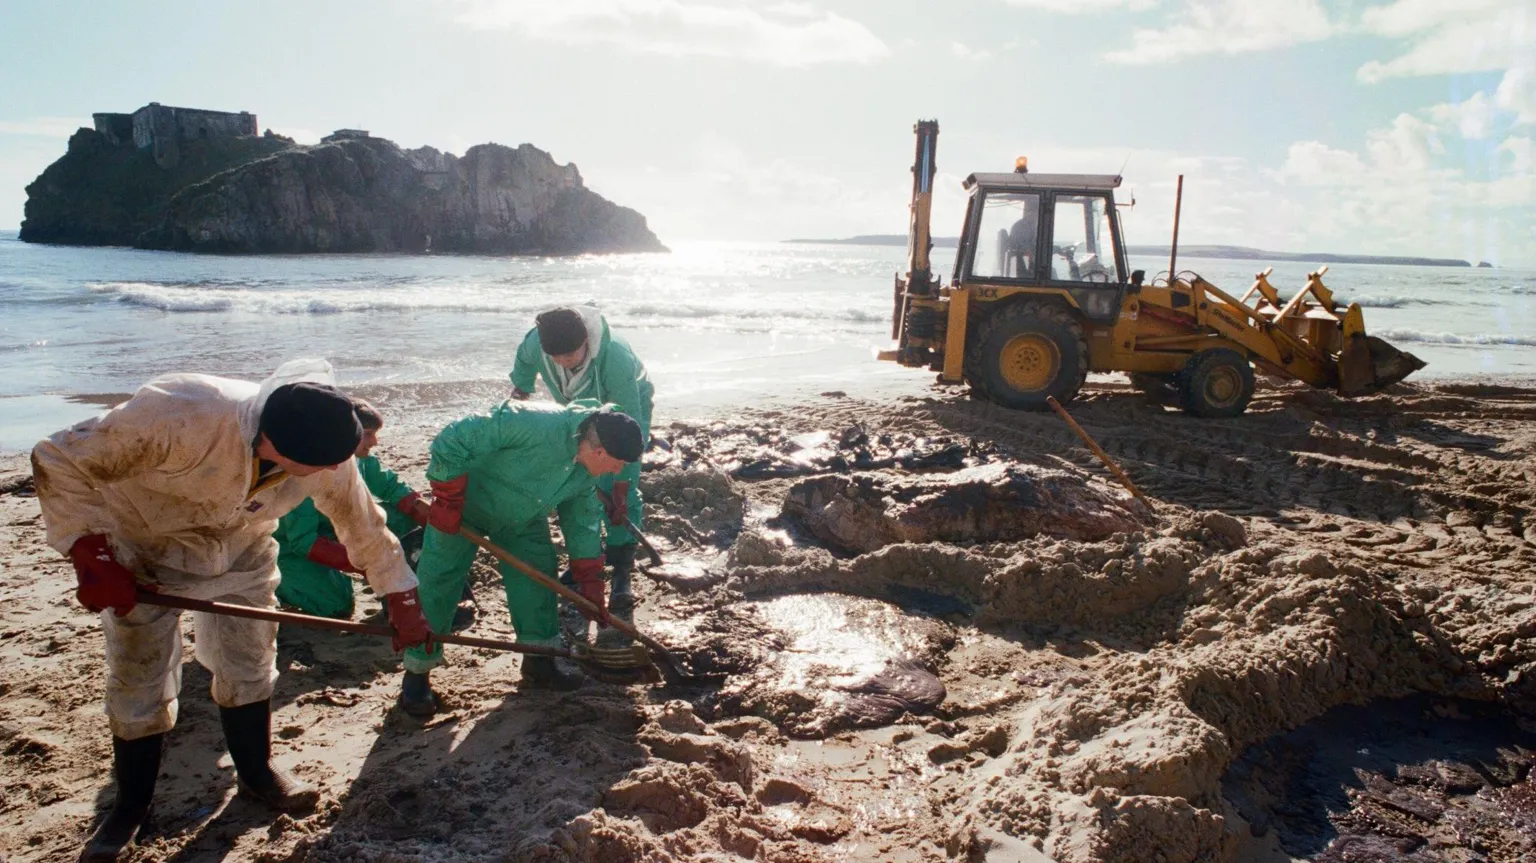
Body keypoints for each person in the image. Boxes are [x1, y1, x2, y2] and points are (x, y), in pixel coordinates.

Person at [30, 359, 433, 862]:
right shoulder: (178, 412)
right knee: (140, 677)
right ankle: (130, 805)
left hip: (241, 550)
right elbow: (59, 457)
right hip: (145, 548)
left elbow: (363, 524)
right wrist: (92, 552)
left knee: (249, 662)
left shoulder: (326, 442)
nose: (333, 473)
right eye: (321, 466)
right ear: (270, 445)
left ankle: (257, 774)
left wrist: (402, 596)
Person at [398, 400, 644, 717]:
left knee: (537, 577)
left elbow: (582, 521)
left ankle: (538, 661)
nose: (618, 470)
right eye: (617, 463)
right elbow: (455, 436)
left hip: (522, 519)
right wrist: (446, 496)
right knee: (438, 583)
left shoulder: (585, 473)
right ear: (599, 452)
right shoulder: (533, 423)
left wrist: (590, 580)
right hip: (462, 507)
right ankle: (417, 675)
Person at [510, 306, 653, 646]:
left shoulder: (614, 358)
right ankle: (585, 561)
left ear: (586, 342)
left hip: (626, 407)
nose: (562, 363)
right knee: (580, 481)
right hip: (578, 409)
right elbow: (523, 370)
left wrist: (620, 486)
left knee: (619, 486)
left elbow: (627, 439)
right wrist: (521, 394)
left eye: (570, 356)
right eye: (555, 358)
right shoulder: (536, 344)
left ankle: (621, 568)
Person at [271, 399, 426, 619]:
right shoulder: (307, 469)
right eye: (368, 434)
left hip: (332, 529)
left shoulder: (360, 459)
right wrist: (370, 564)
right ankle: (279, 584)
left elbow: (391, 486)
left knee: (403, 518)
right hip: (291, 547)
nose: (375, 442)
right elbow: (303, 541)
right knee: (337, 607)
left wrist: (427, 513)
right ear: (344, 433)